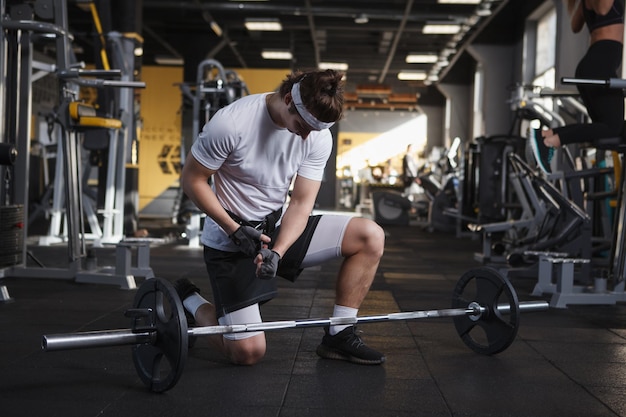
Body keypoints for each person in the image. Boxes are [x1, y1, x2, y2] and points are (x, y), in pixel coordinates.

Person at [176, 69, 386, 366]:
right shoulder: (231, 123)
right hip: (231, 239)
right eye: (301, 126)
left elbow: (301, 203)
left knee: (370, 236)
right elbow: (192, 181)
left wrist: (278, 251)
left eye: (314, 130)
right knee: (247, 353)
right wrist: (234, 229)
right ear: (288, 99)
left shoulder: (317, 135)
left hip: (276, 229)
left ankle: (340, 333)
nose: (306, 136)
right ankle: (190, 301)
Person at [531, 0, 624, 174]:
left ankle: (547, 135)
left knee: (606, 127)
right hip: (599, 67)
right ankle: (551, 141)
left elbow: (575, 26)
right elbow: (604, 10)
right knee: (613, 127)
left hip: (593, 66)